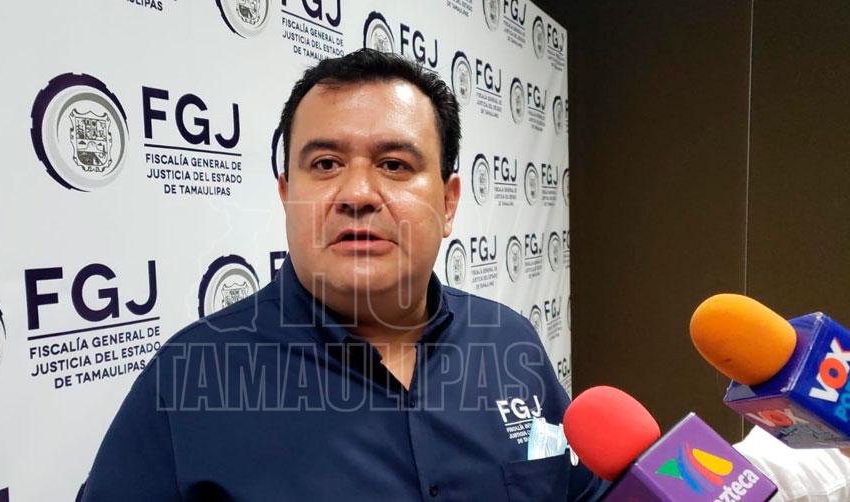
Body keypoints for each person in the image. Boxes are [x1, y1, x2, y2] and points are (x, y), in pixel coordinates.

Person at [81, 49, 605, 501]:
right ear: (287, 195)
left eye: (395, 165)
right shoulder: (183, 383)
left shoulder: (510, 340)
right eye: (326, 164)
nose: (357, 194)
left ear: (448, 204)